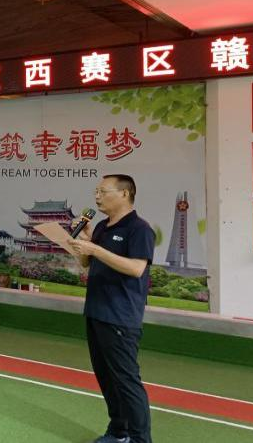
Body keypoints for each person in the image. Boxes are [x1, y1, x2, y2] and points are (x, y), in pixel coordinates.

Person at [67, 174, 154, 443]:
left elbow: (136, 268)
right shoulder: (102, 227)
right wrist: (83, 243)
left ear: (125, 194)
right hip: (96, 311)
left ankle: (140, 439)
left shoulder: (139, 229)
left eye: (103, 191)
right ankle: (118, 432)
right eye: (96, 192)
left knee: (126, 381)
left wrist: (95, 249)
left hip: (120, 315)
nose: (97, 196)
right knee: (106, 378)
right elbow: (86, 263)